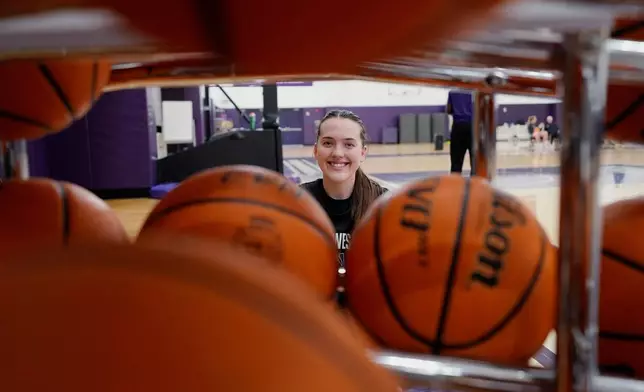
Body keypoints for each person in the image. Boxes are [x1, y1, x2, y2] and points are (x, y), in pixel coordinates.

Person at [301, 109, 387, 304]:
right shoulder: (298, 203)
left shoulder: (383, 205)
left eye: (348, 144)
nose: (337, 153)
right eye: (328, 143)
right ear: (316, 151)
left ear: (363, 152)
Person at [446, 89, 473, 173]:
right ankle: (475, 185)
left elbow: (448, 109)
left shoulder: (452, 91)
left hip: (458, 127)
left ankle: (455, 185)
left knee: (456, 163)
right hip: (473, 127)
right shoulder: (475, 91)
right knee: (476, 164)